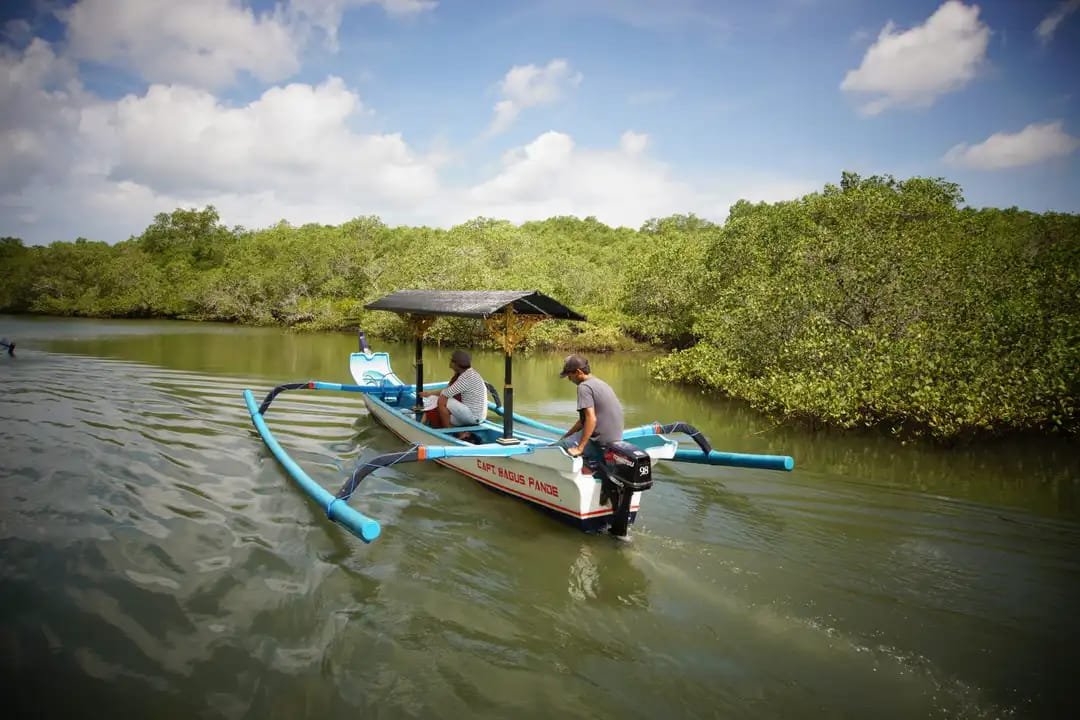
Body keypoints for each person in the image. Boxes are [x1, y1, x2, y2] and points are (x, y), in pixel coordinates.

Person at [558, 354, 623, 461]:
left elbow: (591, 419)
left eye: (569, 375)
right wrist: (566, 436)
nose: (569, 379)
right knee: (565, 441)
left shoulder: (584, 387)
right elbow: (583, 421)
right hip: (615, 439)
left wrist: (580, 448)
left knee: (558, 448)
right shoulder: (600, 383)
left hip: (600, 443)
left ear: (578, 372)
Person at [419, 350, 488, 428]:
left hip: (474, 416)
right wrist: (430, 394)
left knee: (441, 399)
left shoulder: (465, 377)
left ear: (456, 364)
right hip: (478, 416)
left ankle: (448, 430)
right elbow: (448, 390)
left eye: (451, 360)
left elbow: (445, 394)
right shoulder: (470, 373)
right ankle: (460, 433)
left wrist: (429, 394)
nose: (449, 362)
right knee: (443, 414)